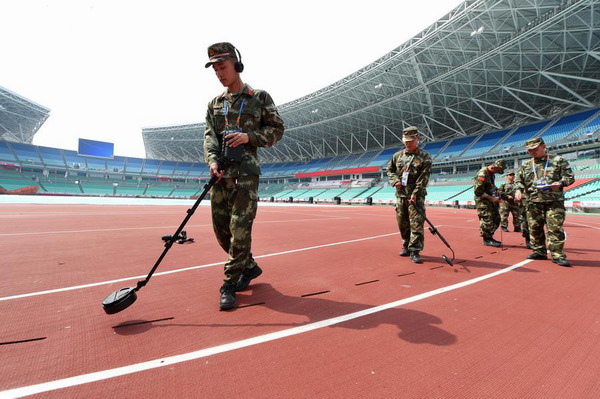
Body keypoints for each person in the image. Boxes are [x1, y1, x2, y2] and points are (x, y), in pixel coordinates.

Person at [203, 42, 285, 310]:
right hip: (222, 176)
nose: (219, 73)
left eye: (222, 67)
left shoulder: (259, 98)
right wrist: (213, 161)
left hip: (246, 178)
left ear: (236, 65)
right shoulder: (215, 104)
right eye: (215, 69)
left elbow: (277, 129)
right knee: (221, 231)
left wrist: (249, 136)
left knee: (240, 230)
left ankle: (229, 283)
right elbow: (209, 138)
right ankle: (248, 267)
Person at [515, 137, 574, 266]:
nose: (533, 152)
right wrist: (518, 190)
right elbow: (518, 180)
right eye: (530, 151)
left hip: (554, 201)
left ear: (543, 146)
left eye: (535, 149)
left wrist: (560, 183)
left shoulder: (558, 161)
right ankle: (539, 251)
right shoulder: (526, 165)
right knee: (534, 228)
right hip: (533, 201)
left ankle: (557, 255)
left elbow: (569, 177)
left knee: (555, 228)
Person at [387, 126, 432, 264]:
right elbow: (390, 170)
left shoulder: (425, 157)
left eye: (411, 140)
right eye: (406, 141)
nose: (408, 143)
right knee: (403, 223)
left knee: (416, 223)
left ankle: (415, 250)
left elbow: (423, 178)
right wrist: (395, 181)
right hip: (401, 195)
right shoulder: (397, 156)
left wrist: (415, 194)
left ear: (417, 139)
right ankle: (406, 246)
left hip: (416, 196)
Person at [474, 159, 506, 247]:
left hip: (490, 199)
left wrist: (497, 191)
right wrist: (491, 198)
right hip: (482, 200)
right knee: (487, 218)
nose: (497, 173)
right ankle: (486, 239)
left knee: (496, 218)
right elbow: (478, 192)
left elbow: (490, 185)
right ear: (493, 167)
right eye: (498, 171)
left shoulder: (491, 174)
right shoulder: (482, 174)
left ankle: (490, 236)